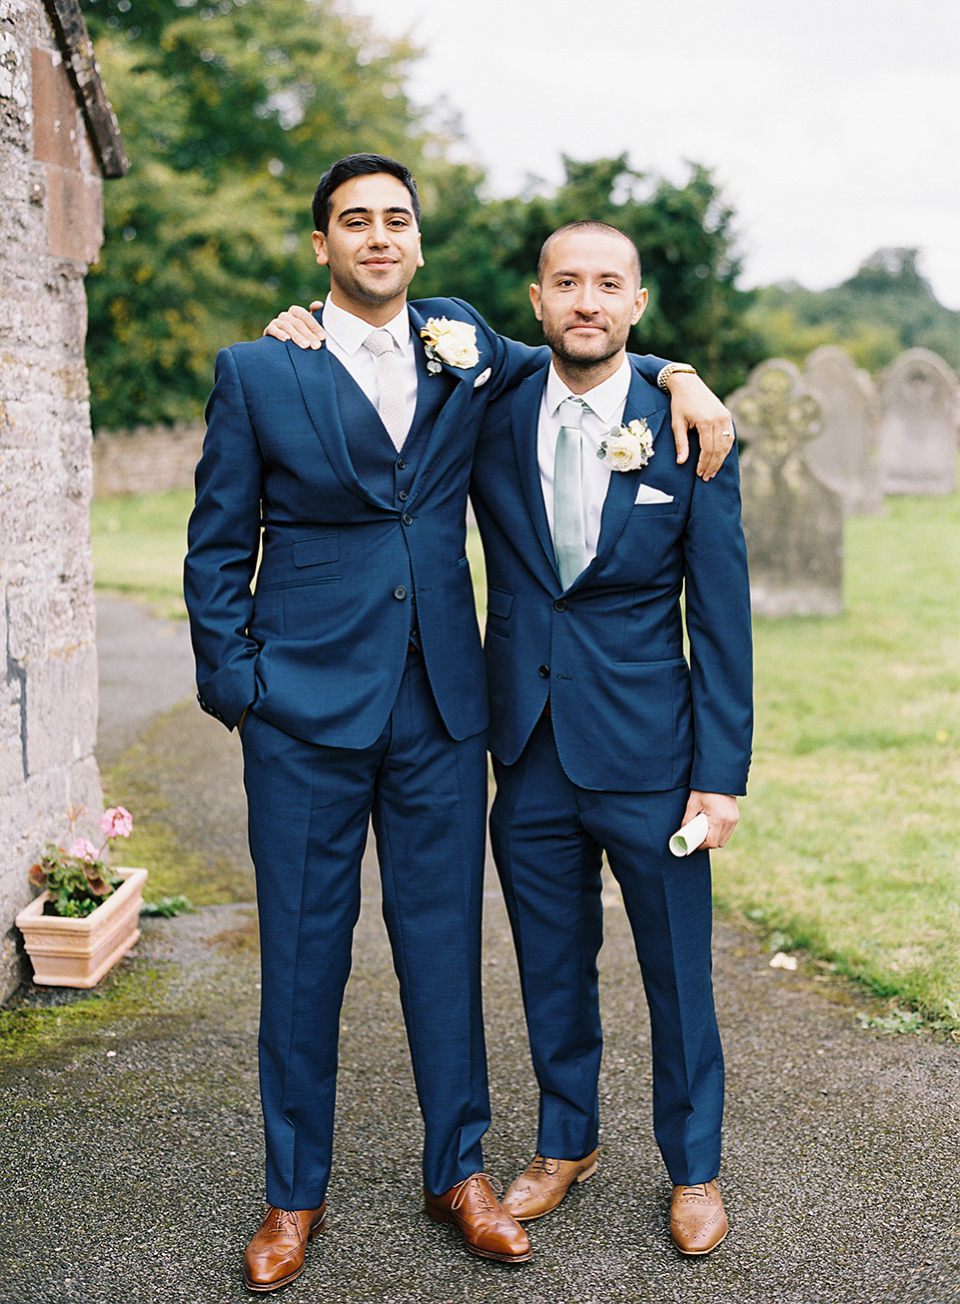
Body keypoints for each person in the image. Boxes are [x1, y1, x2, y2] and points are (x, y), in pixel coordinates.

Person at [187, 152, 732, 1292]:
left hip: (444, 712)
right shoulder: (259, 368)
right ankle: (293, 1196)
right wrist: (239, 685)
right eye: (354, 221)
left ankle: (460, 1171)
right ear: (322, 244)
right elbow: (216, 546)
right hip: (302, 712)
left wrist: (681, 371)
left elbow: (591, 349)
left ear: (420, 245)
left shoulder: (467, 351)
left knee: (445, 955)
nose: (378, 236)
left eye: (397, 219)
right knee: (300, 961)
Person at [470, 220, 753, 1256]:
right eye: (566, 282)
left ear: (637, 305)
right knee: (551, 963)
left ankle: (694, 1166)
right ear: (536, 301)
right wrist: (297, 326)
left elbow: (722, 619)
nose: (586, 300)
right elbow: (396, 335)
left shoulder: (691, 429)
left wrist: (719, 778)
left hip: (654, 758)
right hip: (530, 747)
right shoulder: (490, 410)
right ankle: (565, 1140)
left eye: (608, 284)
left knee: (678, 973)